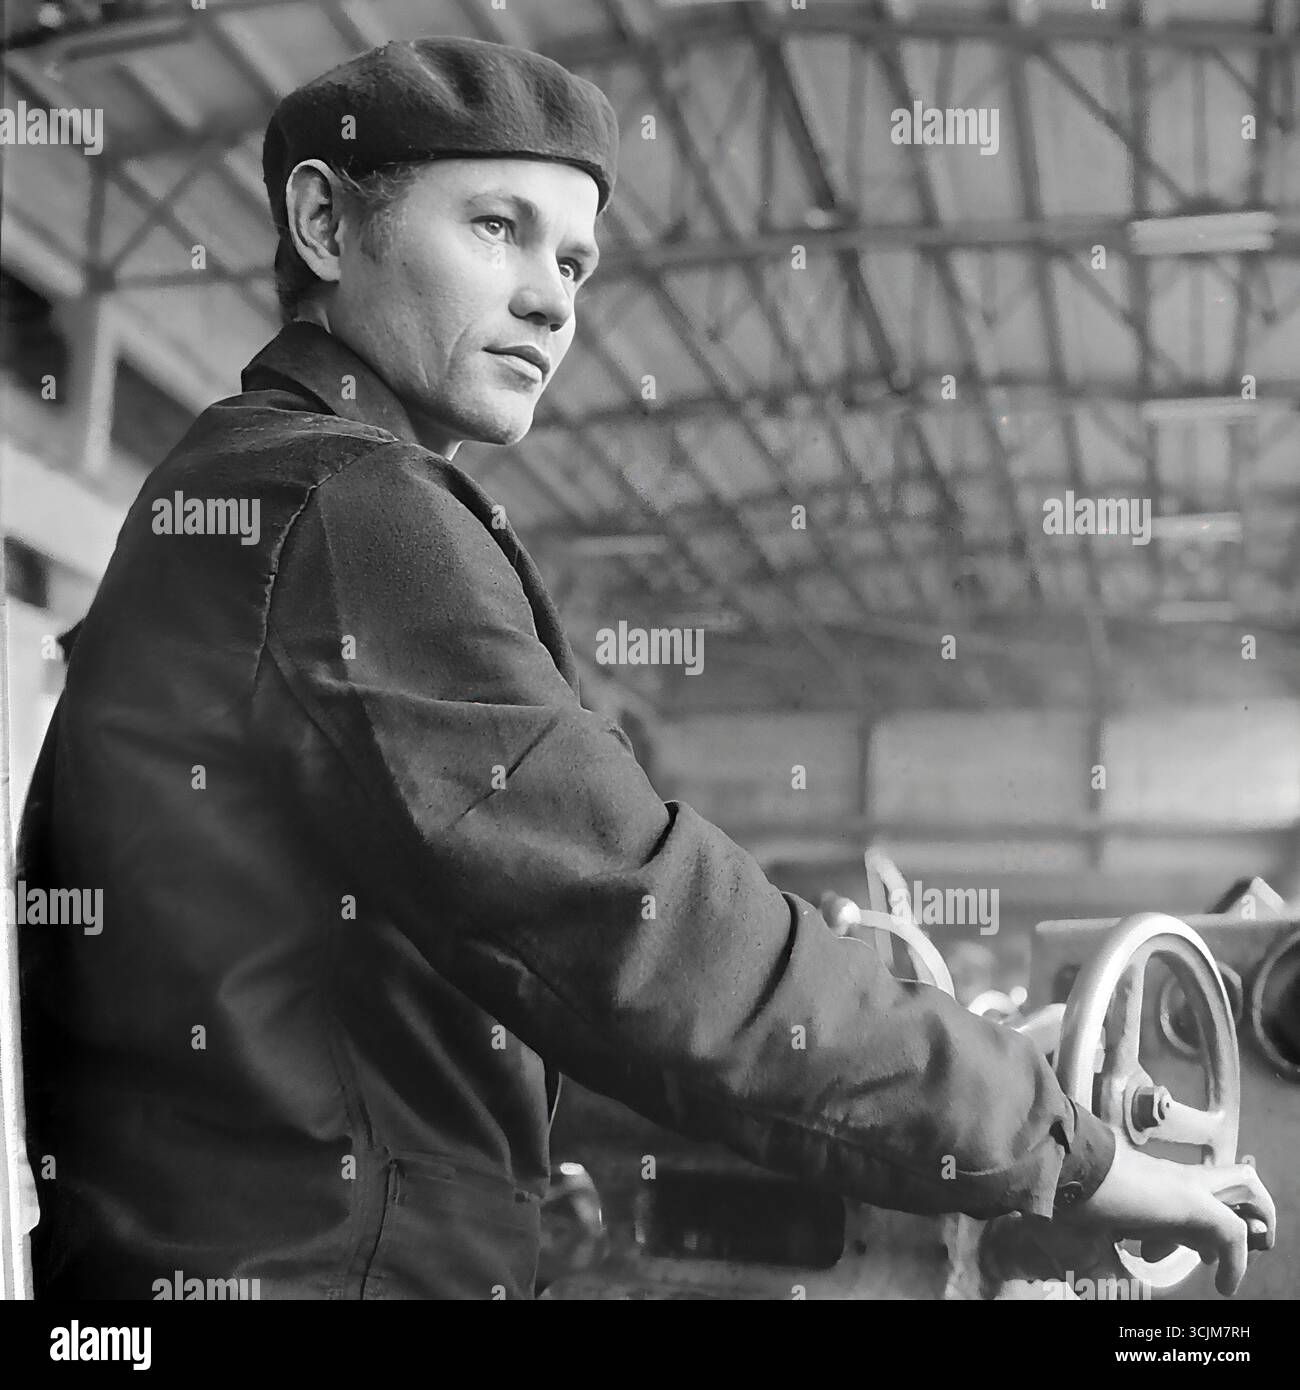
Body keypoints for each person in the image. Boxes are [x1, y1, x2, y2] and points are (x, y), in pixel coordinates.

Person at [17, 35, 1274, 1301]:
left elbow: (524, 979)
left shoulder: (247, 490)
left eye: (571, 261)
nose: (553, 300)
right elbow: (637, 923)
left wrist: (927, 1089)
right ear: (325, 222)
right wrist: (1056, 1146)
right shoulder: (351, 510)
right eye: (497, 228)